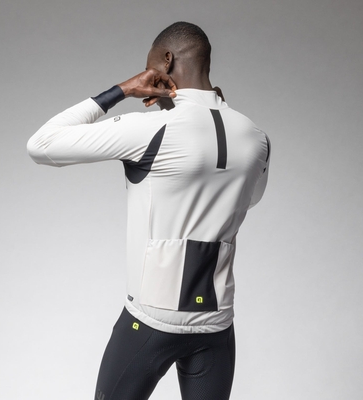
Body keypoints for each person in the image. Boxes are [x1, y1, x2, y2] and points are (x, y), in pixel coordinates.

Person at [27, 21, 270, 400]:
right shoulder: (255, 137)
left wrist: (122, 90)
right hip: (217, 322)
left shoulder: (152, 128)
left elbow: (42, 144)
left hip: (152, 319)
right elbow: (250, 199)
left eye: (150, 67)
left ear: (166, 61)